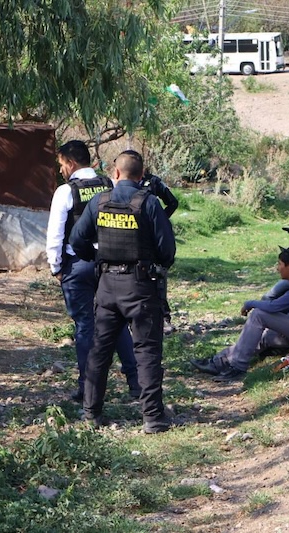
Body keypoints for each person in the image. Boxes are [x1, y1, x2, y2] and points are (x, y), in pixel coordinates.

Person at [70, 150, 176, 434]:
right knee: (147, 351)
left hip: (107, 286)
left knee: (100, 350)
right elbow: (167, 251)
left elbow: (77, 240)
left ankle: (91, 413)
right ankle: (152, 418)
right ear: (142, 176)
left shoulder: (99, 201)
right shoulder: (149, 203)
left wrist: (98, 257)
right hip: (141, 286)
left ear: (115, 173)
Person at [46, 140, 140, 402]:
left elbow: (55, 234)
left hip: (77, 264)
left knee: (85, 326)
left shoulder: (65, 191)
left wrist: (56, 268)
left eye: (62, 164)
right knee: (116, 322)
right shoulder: (108, 184)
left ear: (71, 163)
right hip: (108, 263)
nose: (61, 170)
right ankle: (135, 382)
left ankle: (88, 387)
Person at [190, 244, 289, 383]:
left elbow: (274, 307)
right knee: (260, 335)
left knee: (258, 315)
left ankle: (238, 367)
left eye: (280, 264)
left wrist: (250, 303)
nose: (277, 268)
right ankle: (219, 362)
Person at [137, 157, 179, 333]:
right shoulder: (119, 185)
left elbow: (173, 202)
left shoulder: (153, 182)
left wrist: (160, 220)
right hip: (132, 235)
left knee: (159, 275)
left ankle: (164, 317)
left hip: (152, 236)